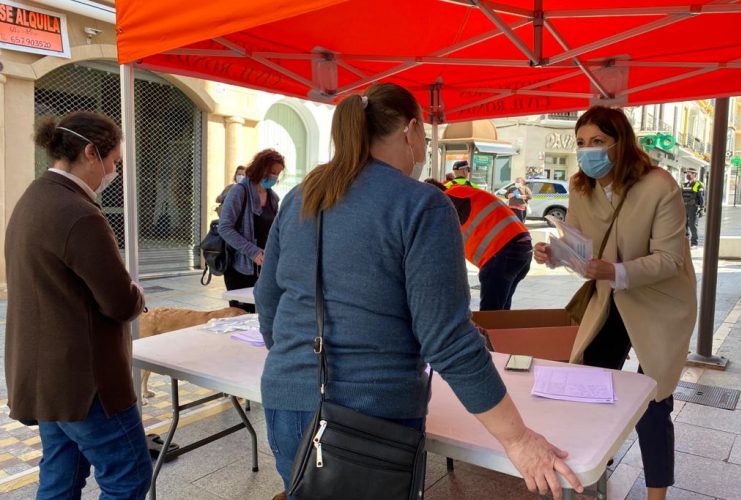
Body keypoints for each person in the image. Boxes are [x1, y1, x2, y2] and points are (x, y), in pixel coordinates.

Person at [255, 83, 582, 500]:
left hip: (286, 400)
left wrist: (295, 361)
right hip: (373, 415)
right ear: (410, 132)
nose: (423, 150)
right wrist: (517, 439)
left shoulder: (303, 195)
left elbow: (268, 299)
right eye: (424, 139)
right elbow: (447, 339)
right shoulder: (420, 205)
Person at [534, 106, 696, 500]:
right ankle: (593, 472)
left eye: (598, 142)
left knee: (654, 397)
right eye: (581, 143)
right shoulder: (580, 187)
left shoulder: (660, 185)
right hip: (610, 299)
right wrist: (555, 256)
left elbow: (671, 259)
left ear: (621, 143)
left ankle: (656, 492)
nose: (588, 151)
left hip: (660, 303)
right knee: (594, 382)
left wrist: (616, 272)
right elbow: (580, 249)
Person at [4, 111, 151, 499]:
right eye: (114, 162)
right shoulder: (80, 214)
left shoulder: (33, 199)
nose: (113, 172)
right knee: (129, 476)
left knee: (60, 479)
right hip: (86, 383)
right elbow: (120, 302)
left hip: (46, 378)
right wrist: (137, 292)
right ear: (90, 152)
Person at [425, 178, 532, 310]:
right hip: (521, 248)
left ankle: (495, 329)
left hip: (502, 252)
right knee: (501, 312)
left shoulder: (446, 200)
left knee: (490, 315)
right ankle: (502, 329)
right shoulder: (461, 192)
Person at [218, 149, 284, 313]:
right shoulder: (239, 191)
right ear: (260, 168)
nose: (274, 177)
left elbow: (275, 230)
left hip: (264, 269)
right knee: (241, 316)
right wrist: (252, 252)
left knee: (261, 316)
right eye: (272, 172)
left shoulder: (273, 198)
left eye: (277, 173)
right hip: (240, 268)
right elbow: (224, 227)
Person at [682, 170, 704, 247]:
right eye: (686, 173)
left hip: (693, 207)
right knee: (684, 225)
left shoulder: (698, 184)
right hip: (684, 207)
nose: (687, 175)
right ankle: (685, 242)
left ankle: (694, 243)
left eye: (689, 173)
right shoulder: (685, 184)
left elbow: (701, 197)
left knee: (692, 225)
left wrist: (701, 208)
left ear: (694, 174)